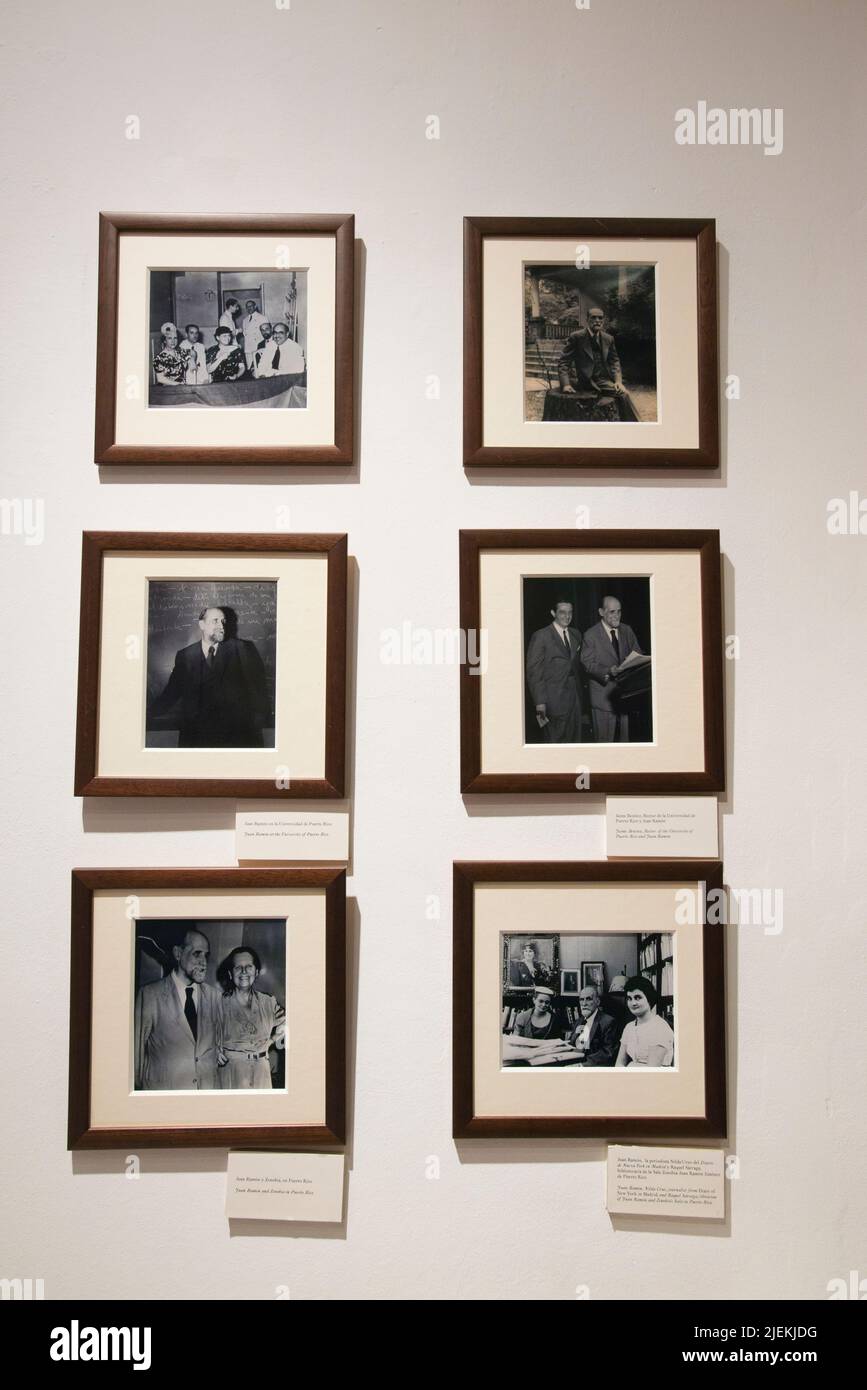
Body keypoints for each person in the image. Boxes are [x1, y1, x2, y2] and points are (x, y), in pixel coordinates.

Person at [149, 605, 271, 748]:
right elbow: (171, 694)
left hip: (235, 739)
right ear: (202, 625)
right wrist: (145, 714)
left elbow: (258, 693)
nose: (221, 626)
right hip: (196, 739)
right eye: (215, 621)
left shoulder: (243, 649)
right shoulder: (185, 656)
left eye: (223, 621)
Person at [134, 928, 222, 1090]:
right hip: (166, 1100)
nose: (204, 962)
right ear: (178, 953)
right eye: (197, 953)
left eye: (206, 955)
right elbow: (135, 1056)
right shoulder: (150, 995)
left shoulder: (215, 997)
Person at [217, 947, 286, 1090]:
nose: (243, 972)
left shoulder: (268, 1002)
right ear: (230, 974)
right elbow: (200, 1037)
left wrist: (272, 1041)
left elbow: (288, 1023)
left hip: (262, 1072)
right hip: (232, 1073)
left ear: (256, 972)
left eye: (248, 966)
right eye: (238, 967)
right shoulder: (218, 1004)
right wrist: (213, 1051)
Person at [556, 307, 638, 420]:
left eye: (600, 318)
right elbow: (564, 361)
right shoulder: (577, 337)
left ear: (603, 320)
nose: (597, 321)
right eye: (593, 317)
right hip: (583, 381)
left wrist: (618, 381)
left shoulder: (608, 338)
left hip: (603, 381)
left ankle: (631, 427)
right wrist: (566, 384)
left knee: (623, 394)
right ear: (587, 320)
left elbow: (614, 361)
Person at [580, 596, 643, 742]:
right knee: (604, 742)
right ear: (601, 612)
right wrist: (608, 670)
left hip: (624, 696)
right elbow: (587, 663)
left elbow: (638, 653)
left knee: (624, 742)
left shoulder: (627, 630)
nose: (617, 616)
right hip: (603, 698)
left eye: (619, 612)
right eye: (612, 612)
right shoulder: (590, 635)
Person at [525, 599, 583, 743]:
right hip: (553, 700)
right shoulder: (541, 636)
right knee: (555, 742)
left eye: (570, 612)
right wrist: (540, 702)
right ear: (553, 613)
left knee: (575, 740)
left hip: (575, 700)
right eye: (562, 612)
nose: (567, 616)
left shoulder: (576, 634)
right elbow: (534, 671)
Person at [615, 976, 674, 1068]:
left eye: (638, 997)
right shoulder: (629, 1027)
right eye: (629, 998)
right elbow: (619, 1064)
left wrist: (630, 1066)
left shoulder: (659, 1027)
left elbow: (651, 1071)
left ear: (649, 998)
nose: (633, 1003)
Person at [569, 984, 620, 1067]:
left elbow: (608, 1052)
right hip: (572, 1063)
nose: (584, 1003)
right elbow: (572, 1044)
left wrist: (581, 1065)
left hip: (591, 1066)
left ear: (597, 1002)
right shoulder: (578, 1021)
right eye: (581, 999)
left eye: (588, 999)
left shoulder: (608, 1022)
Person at [240, 299, 268, 372]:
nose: (249, 308)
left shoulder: (262, 318)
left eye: (251, 306)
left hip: (258, 347)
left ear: (255, 306)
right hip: (248, 348)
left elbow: (266, 333)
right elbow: (245, 334)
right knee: (250, 368)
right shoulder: (245, 320)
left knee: (258, 368)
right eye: (247, 307)